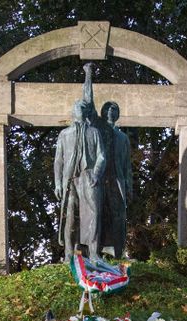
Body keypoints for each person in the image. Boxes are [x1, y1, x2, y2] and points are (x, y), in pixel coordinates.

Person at [53, 65, 107, 261]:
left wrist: (96, 173)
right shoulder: (64, 134)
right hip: (69, 178)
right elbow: (58, 160)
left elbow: (102, 155)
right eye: (78, 107)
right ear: (73, 111)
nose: (82, 109)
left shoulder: (94, 132)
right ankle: (68, 255)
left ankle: (93, 254)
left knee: (93, 214)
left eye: (84, 108)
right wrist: (58, 183)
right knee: (69, 217)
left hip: (88, 176)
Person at [98, 100, 132, 259]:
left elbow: (127, 165)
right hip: (99, 180)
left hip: (116, 180)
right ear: (103, 113)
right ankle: (96, 251)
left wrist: (128, 186)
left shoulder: (123, 137)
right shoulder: (96, 132)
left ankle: (118, 251)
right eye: (109, 109)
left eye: (115, 110)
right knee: (98, 215)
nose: (112, 112)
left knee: (118, 216)